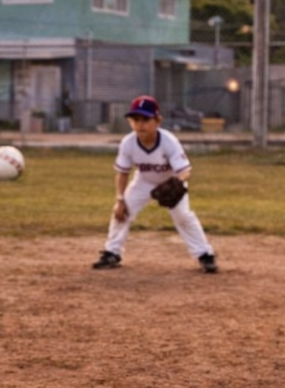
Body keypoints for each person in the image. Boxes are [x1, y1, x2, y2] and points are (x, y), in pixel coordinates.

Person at [92, 95, 219, 273]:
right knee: (121, 212)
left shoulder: (169, 142)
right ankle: (112, 253)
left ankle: (205, 254)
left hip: (171, 181)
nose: (140, 124)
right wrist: (120, 199)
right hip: (143, 181)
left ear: (158, 121)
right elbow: (123, 173)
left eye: (146, 119)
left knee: (183, 216)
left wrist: (178, 182)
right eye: (136, 119)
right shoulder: (128, 143)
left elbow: (185, 171)